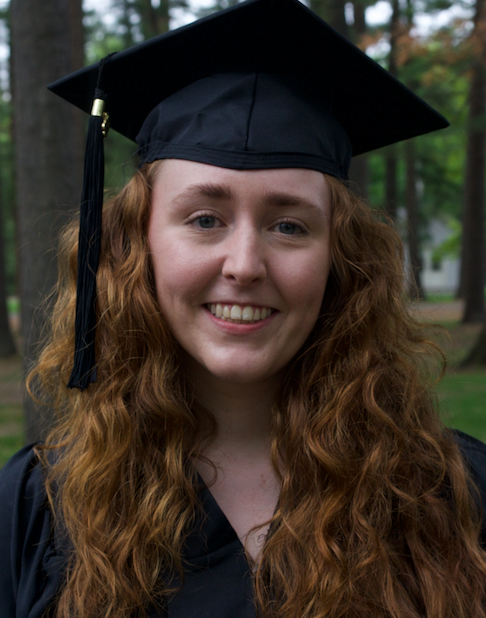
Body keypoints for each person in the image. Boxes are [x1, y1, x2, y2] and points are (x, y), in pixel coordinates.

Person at [1, 0, 486, 617]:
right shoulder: (39, 508)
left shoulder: (452, 492)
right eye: (205, 219)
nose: (245, 264)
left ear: (340, 255)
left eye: (289, 225)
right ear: (136, 244)